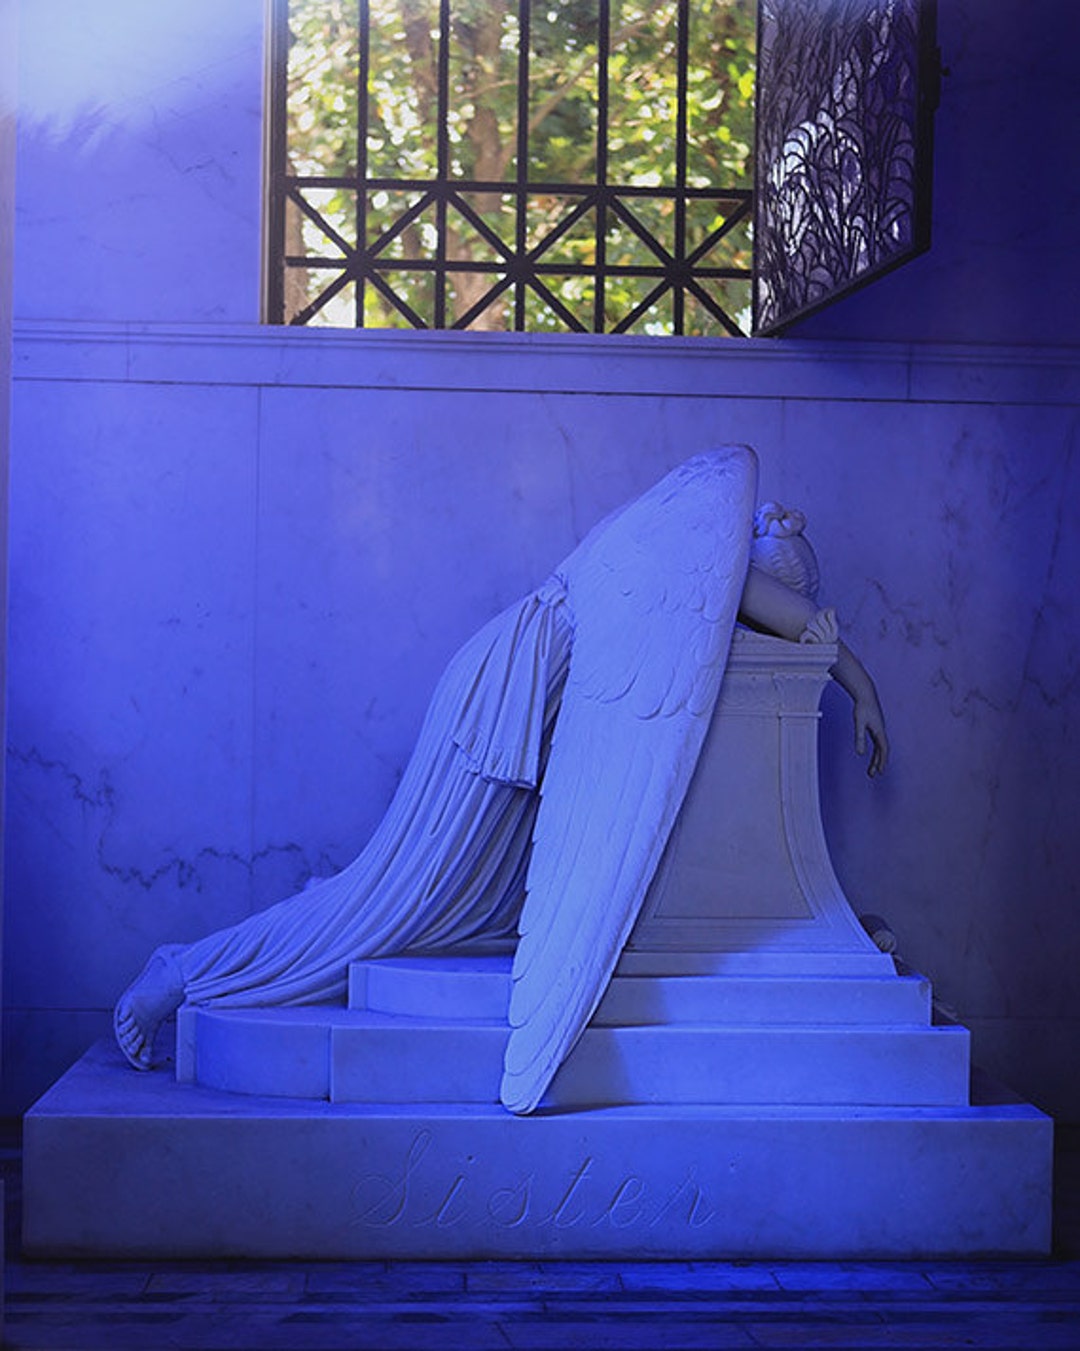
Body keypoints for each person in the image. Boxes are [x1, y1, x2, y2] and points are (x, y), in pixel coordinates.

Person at [115, 448, 887, 1111]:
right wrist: (861, 684)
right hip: (510, 695)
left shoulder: (684, 513)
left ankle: (211, 960)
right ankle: (189, 969)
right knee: (387, 900)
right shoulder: (704, 543)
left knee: (413, 901)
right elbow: (790, 618)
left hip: (514, 681)